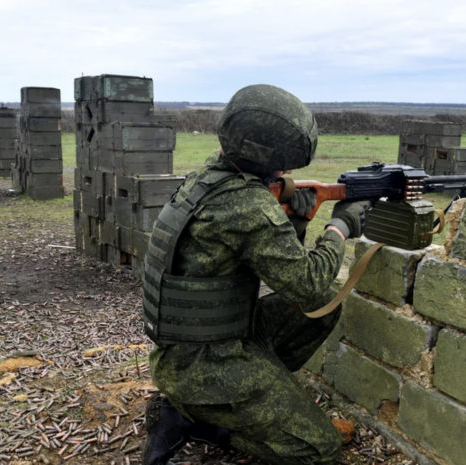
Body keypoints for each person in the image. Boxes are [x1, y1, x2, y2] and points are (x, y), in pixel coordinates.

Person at [141, 84, 371, 465]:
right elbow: (308, 280)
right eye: (284, 164)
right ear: (269, 157)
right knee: (319, 449)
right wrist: (340, 228)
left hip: (189, 348)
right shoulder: (246, 203)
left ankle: (255, 400)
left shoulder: (206, 179)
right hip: (204, 366)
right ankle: (202, 422)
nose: (288, 172)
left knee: (323, 306)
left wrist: (295, 223)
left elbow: (274, 268)